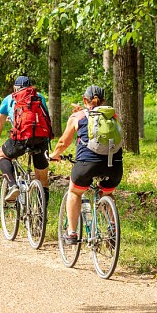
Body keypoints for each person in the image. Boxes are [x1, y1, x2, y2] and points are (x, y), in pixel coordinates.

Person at [49, 85, 123, 245]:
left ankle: (72, 233)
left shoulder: (77, 117)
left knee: (75, 192)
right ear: (104, 100)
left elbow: (63, 142)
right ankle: (113, 230)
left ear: (85, 100)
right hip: (115, 166)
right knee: (107, 194)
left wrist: (54, 155)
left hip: (87, 165)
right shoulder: (113, 116)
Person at [0, 75, 53, 207]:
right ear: (30, 87)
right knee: (43, 180)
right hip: (41, 140)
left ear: (15, 88)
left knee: (2, 155)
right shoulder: (40, 97)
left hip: (21, 139)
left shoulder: (9, 99)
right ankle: (41, 216)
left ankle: (13, 186)